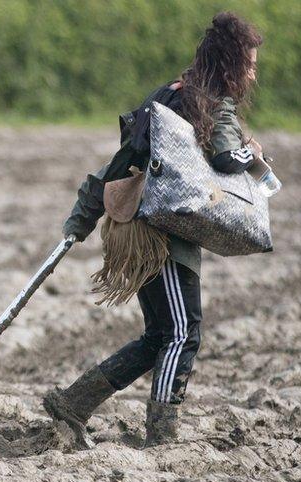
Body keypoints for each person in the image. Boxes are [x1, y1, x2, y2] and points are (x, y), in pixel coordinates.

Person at [43, 12, 265, 448]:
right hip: (161, 239)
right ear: (230, 66)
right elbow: (224, 159)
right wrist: (254, 158)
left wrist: (81, 220)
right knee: (184, 333)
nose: (253, 73)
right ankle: (162, 435)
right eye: (250, 64)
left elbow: (116, 165)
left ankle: (73, 403)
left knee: (160, 336)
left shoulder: (168, 96)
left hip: (134, 230)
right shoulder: (212, 104)